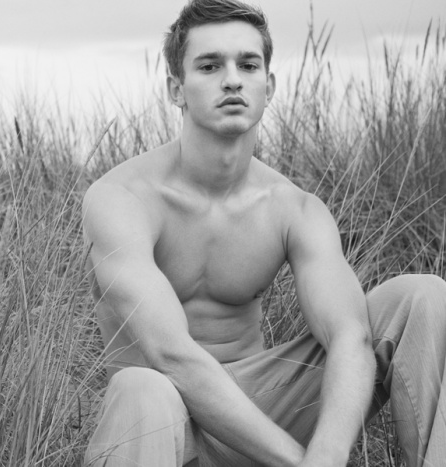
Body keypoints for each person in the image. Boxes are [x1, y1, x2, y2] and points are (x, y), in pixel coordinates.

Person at [81, 0, 446, 465]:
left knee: (424, 296)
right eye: (210, 66)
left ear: (268, 86)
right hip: (161, 428)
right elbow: (171, 356)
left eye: (248, 65)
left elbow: (349, 339)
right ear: (176, 89)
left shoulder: (294, 209)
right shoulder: (121, 199)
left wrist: (326, 457)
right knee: (141, 385)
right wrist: (297, 461)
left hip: (260, 410)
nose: (232, 79)